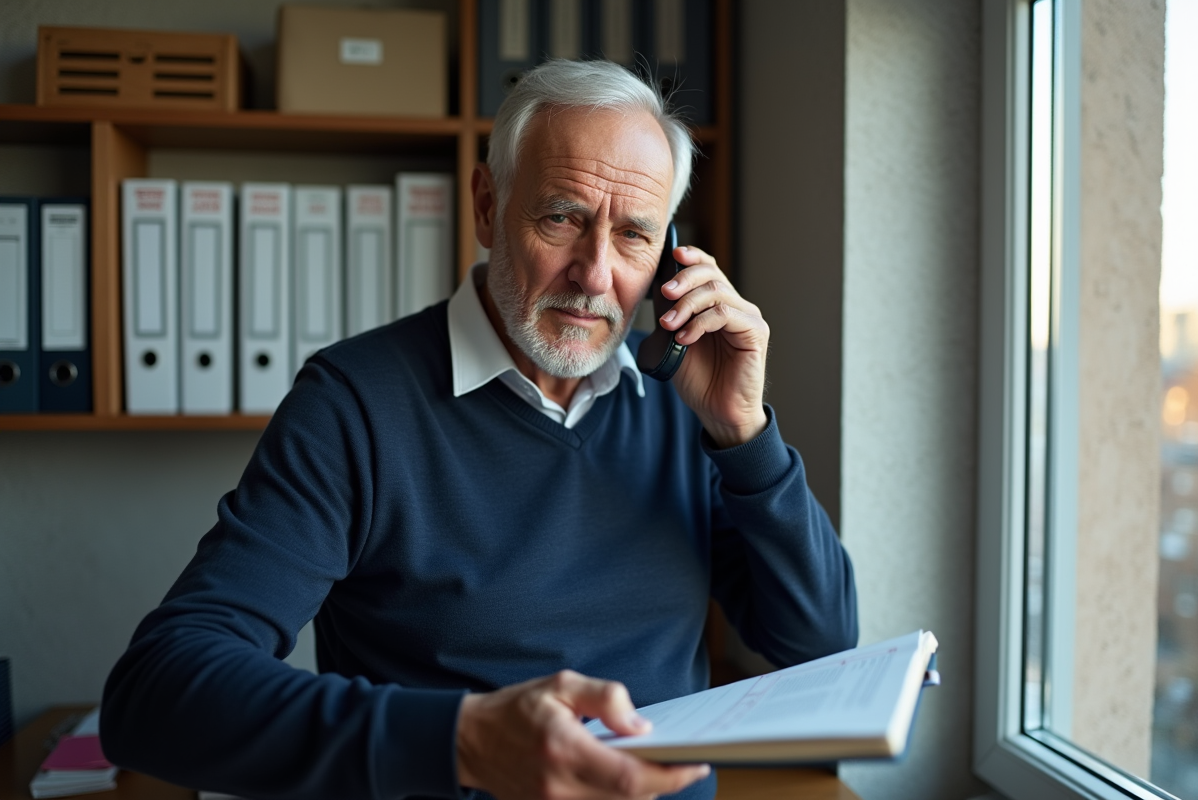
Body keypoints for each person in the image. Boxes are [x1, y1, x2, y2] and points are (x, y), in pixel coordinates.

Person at [101, 59, 858, 800]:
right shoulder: (353, 404)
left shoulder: (687, 405)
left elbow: (820, 645)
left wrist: (745, 435)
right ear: (488, 207)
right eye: (562, 217)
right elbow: (156, 691)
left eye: (634, 234)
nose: (595, 274)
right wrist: (463, 741)